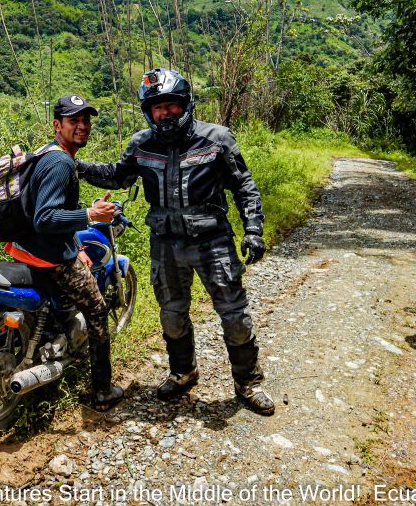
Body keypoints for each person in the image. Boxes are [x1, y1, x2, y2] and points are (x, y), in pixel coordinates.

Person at [76, 69, 274, 415]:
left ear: (186, 105)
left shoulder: (216, 139)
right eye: (157, 108)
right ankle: (183, 372)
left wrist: (253, 228)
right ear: (147, 112)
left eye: (170, 106)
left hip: (214, 242)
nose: (164, 113)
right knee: (171, 314)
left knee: (234, 317)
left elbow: (244, 186)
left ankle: (248, 382)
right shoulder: (141, 144)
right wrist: (72, 164)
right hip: (165, 243)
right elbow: (117, 176)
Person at [5, 94, 123, 411]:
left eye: (85, 120)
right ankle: (101, 391)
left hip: (27, 250)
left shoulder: (47, 153)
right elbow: (46, 218)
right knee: (97, 311)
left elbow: (51, 214)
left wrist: (75, 246)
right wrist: (90, 215)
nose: (82, 126)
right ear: (58, 125)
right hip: (49, 258)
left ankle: (57, 339)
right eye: (74, 121)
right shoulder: (61, 163)